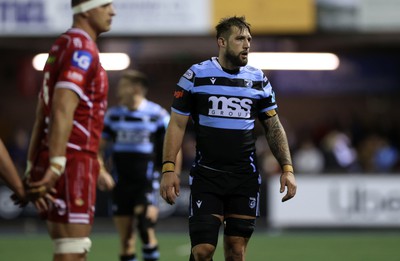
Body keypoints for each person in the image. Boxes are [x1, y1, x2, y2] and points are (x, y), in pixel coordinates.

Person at [160, 16, 297, 261]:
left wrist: (287, 168)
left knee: (236, 251)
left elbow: (273, 127)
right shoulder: (195, 76)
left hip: (244, 178)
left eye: (249, 39)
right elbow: (177, 125)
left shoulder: (258, 80)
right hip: (207, 176)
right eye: (240, 39)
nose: (247, 45)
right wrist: (168, 168)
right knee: (203, 250)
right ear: (221, 42)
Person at [24, 1, 115, 260]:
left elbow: (42, 113)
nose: (113, 11)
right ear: (86, 9)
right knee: (70, 252)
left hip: (66, 156)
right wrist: (56, 164)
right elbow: (62, 107)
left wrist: (33, 165)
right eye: (106, 4)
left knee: (76, 249)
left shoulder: (62, 45)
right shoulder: (82, 49)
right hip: (72, 159)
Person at [98, 70, 180, 261]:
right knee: (126, 240)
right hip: (120, 184)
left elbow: (174, 146)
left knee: (145, 227)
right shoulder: (113, 116)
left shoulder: (157, 114)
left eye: (122, 85)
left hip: (146, 182)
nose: (118, 89)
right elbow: (98, 149)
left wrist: (171, 173)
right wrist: (101, 171)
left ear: (135, 88)